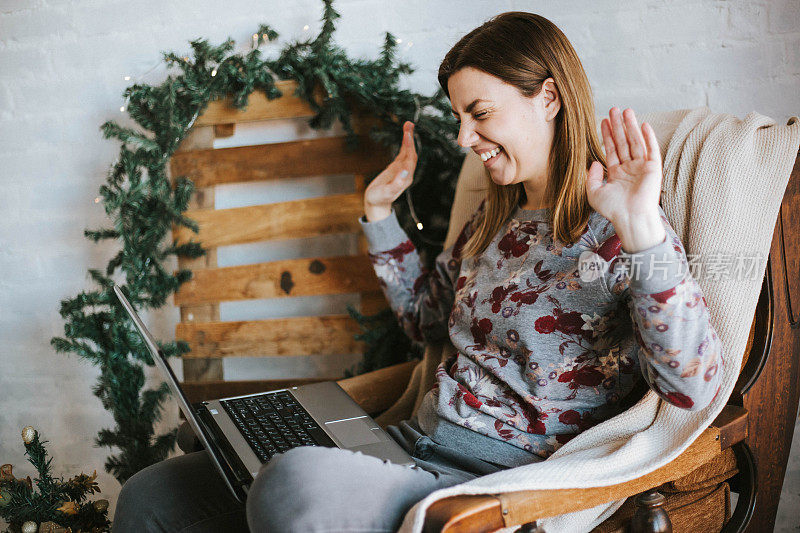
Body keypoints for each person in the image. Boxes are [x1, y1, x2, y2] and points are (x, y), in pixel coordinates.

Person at [113, 11, 723, 532]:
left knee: (291, 482)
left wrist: (641, 227)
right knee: (152, 495)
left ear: (549, 97)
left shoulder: (622, 229)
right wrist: (379, 214)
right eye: (459, 117)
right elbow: (425, 321)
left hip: (482, 487)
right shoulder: (493, 218)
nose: (464, 137)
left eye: (479, 113)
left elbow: (692, 388)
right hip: (410, 448)